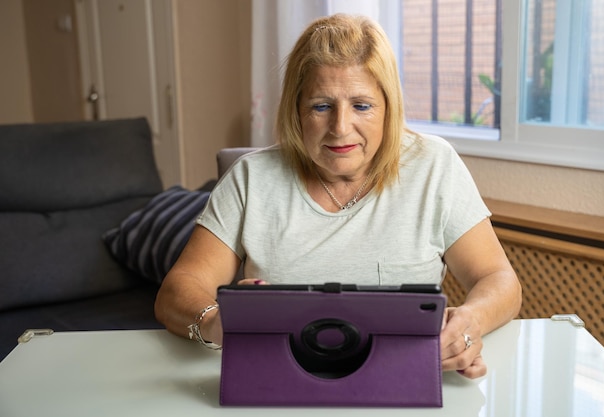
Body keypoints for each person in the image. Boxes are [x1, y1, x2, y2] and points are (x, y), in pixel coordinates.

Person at [155, 13, 521, 379]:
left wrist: (469, 321)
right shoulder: (251, 178)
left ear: (388, 109)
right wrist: (215, 322)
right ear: (296, 110)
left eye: (362, 105)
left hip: (400, 379)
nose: (340, 128)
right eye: (321, 106)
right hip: (278, 382)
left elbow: (498, 279)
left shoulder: (434, 165)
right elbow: (178, 289)